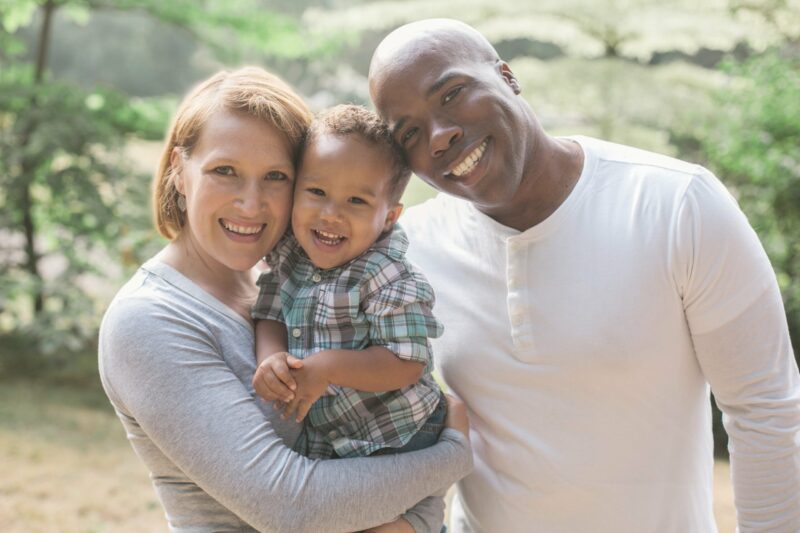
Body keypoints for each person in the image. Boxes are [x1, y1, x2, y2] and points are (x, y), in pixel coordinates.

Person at [367, 18, 800, 533]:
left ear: (507, 77)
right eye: (410, 132)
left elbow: (766, 412)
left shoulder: (677, 204)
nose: (440, 136)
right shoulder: (408, 253)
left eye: (453, 94)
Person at [98, 67, 472, 533]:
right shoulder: (150, 320)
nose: (251, 204)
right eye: (224, 171)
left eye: (276, 176)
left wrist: (417, 517)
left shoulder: (291, 280)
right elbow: (294, 507)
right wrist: (451, 459)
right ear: (179, 169)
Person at [251, 104, 447, 460]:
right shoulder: (290, 255)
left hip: (399, 431)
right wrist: (271, 358)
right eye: (316, 192)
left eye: (356, 200)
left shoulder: (387, 274)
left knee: (382, 514)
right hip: (335, 437)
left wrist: (328, 367)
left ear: (388, 217)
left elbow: (406, 362)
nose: (331, 214)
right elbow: (270, 312)